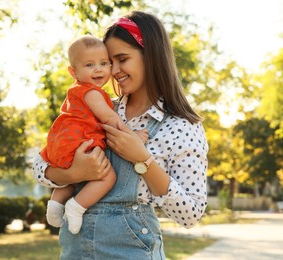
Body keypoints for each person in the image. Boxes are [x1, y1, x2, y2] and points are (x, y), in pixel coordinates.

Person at [33, 11, 208, 259]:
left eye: (122, 59)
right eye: (108, 61)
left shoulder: (181, 127)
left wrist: (143, 160)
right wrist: (73, 174)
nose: (112, 71)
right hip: (77, 252)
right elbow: (40, 167)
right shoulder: (97, 107)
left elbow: (190, 215)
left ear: (151, 57)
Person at [40, 35, 149, 234]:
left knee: (74, 177)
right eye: (89, 65)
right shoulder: (92, 93)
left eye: (104, 63)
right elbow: (109, 118)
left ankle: (56, 203)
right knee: (107, 178)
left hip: (63, 144)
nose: (98, 69)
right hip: (79, 143)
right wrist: (132, 136)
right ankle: (76, 206)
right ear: (73, 71)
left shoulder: (75, 92)